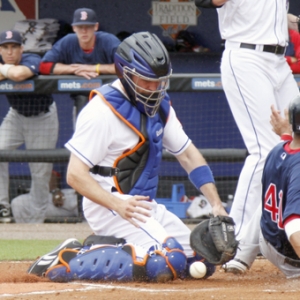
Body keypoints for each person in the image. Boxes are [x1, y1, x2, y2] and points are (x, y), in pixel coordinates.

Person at [27, 31, 228, 282]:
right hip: (109, 203)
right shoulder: (101, 111)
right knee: (166, 262)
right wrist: (118, 205)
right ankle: (69, 256)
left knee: (202, 260)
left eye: (159, 82)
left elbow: (188, 155)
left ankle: (118, 246)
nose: (154, 89)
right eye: (146, 81)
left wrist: (217, 205)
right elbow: (75, 175)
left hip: (142, 205)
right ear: (125, 73)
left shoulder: (161, 107)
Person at [195, 0, 300, 272]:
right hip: (246, 57)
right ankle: (237, 243)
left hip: (279, 61)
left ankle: (255, 244)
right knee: (266, 151)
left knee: (295, 145)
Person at [225, 95, 300, 278]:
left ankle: (241, 256)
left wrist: (286, 132)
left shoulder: (279, 149)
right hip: (291, 253)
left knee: (275, 198)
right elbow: (293, 224)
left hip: (268, 238)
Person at [0, 30, 58, 223]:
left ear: (21, 49)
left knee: (40, 174)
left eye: (14, 47)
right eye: (5, 47)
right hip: (16, 116)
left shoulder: (32, 57)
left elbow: (19, 74)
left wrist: (4, 70)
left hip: (42, 117)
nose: (10, 52)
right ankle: (2, 207)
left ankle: (36, 224)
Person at [39, 7, 120, 117]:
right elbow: (43, 66)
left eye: (88, 26)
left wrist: (94, 68)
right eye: (80, 27)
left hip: (111, 102)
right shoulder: (68, 42)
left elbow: (127, 66)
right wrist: (74, 69)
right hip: (81, 103)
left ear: (96, 27)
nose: (84, 31)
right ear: (74, 28)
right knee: (82, 100)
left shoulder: (108, 41)